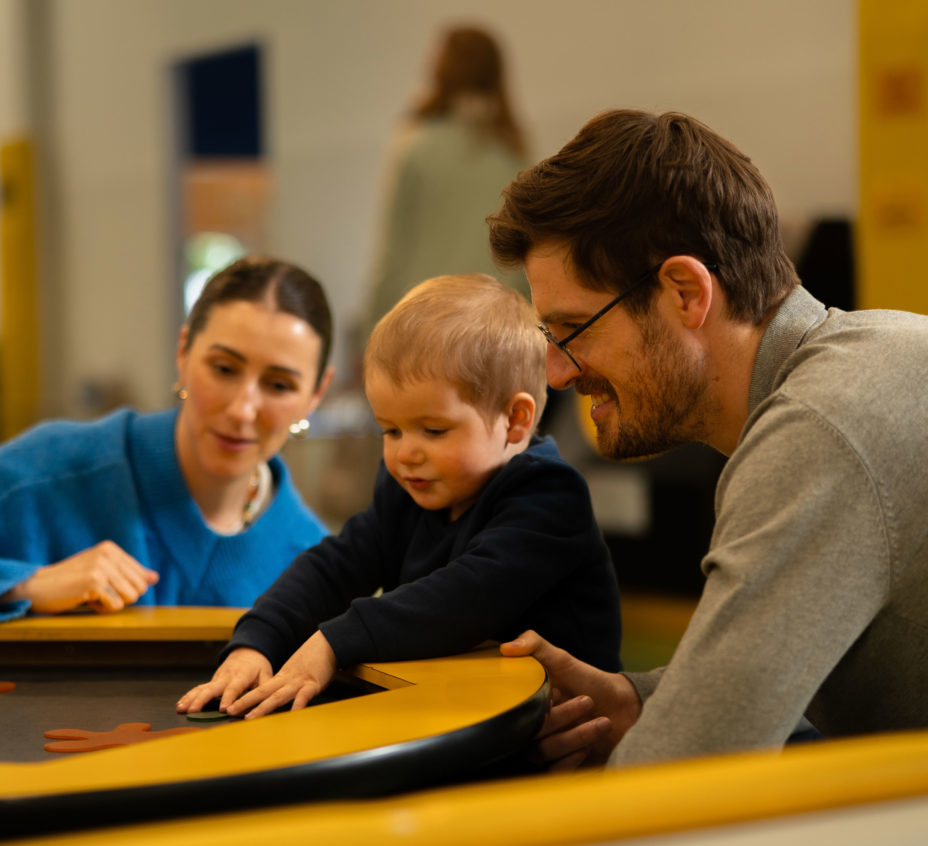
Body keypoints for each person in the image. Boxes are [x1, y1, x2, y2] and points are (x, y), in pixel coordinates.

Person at [486, 108, 928, 768]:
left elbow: (679, 782)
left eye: (573, 330)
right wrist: (647, 701)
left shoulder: (817, 434)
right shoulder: (884, 348)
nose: (556, 371)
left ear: (685, 292)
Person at [176, 274, 621, 719]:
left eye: (433, 430)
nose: (405, 453)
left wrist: (334, 641)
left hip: (569, 743)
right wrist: (257, 642)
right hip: (462, 719)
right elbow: (335, 566)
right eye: (390, 429)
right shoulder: (409, 490)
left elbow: (463, 598)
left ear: (515, 419)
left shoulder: (548, 498)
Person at [0, 256, 334, 625]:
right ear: (183, 352)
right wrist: (27, 584)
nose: (242, 408)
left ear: (316, 393)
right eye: (223, 369)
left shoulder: (316, 565)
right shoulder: (56, 469)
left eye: (279, 385)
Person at [360, 25, 531, 344]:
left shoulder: (414, 145)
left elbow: (392, 253)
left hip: (427, 328)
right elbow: (529, 257)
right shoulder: (515, 150)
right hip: (501, 330)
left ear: (439, 71)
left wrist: (371, 334)